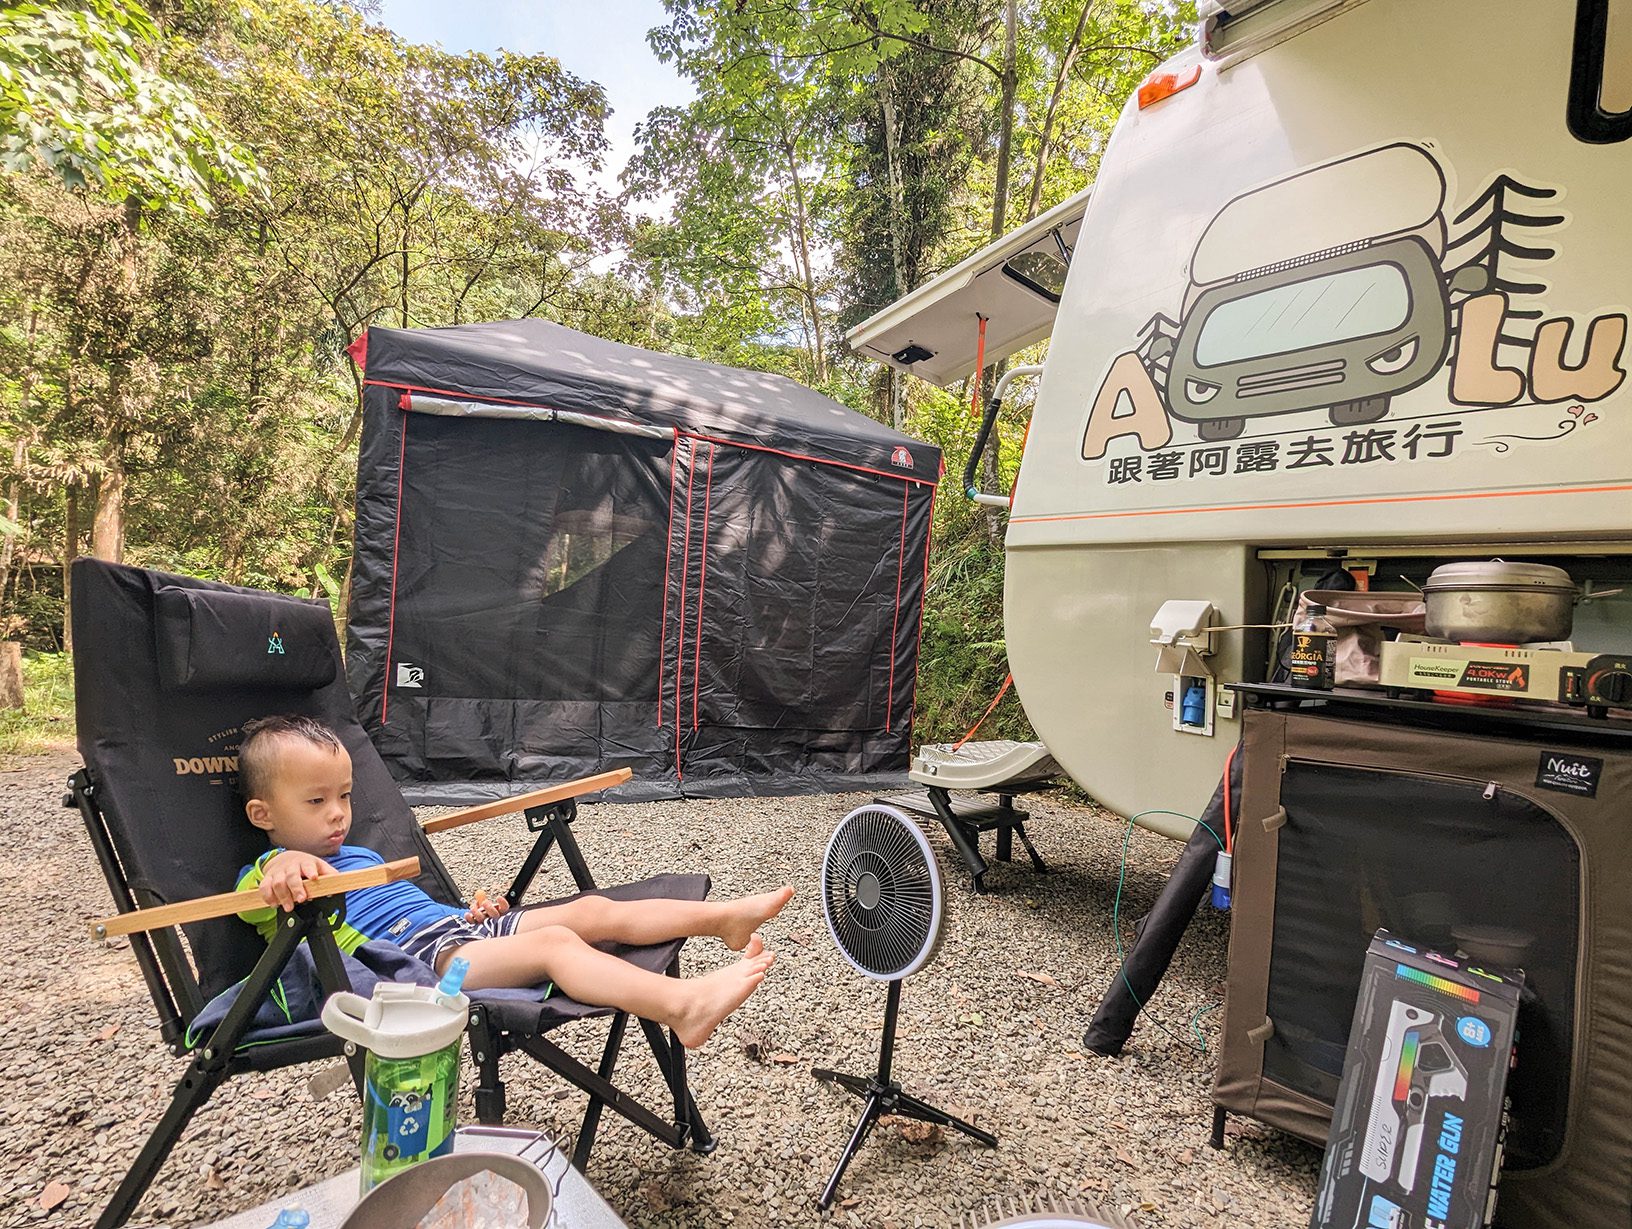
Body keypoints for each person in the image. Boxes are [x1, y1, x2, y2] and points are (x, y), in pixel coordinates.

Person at [234, 714, 791, 1049]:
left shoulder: (353, 852)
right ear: (263, 815)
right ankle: (679, 1007)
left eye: (345, 796)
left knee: (592, 910)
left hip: (452, 929)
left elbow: (421, 907)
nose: (337, 813)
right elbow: (264, 893)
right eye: (316, 800)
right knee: (555, 945)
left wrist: (475, 912)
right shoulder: (271, 875)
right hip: (422, 966)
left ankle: (725, 920)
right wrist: (284, 867)